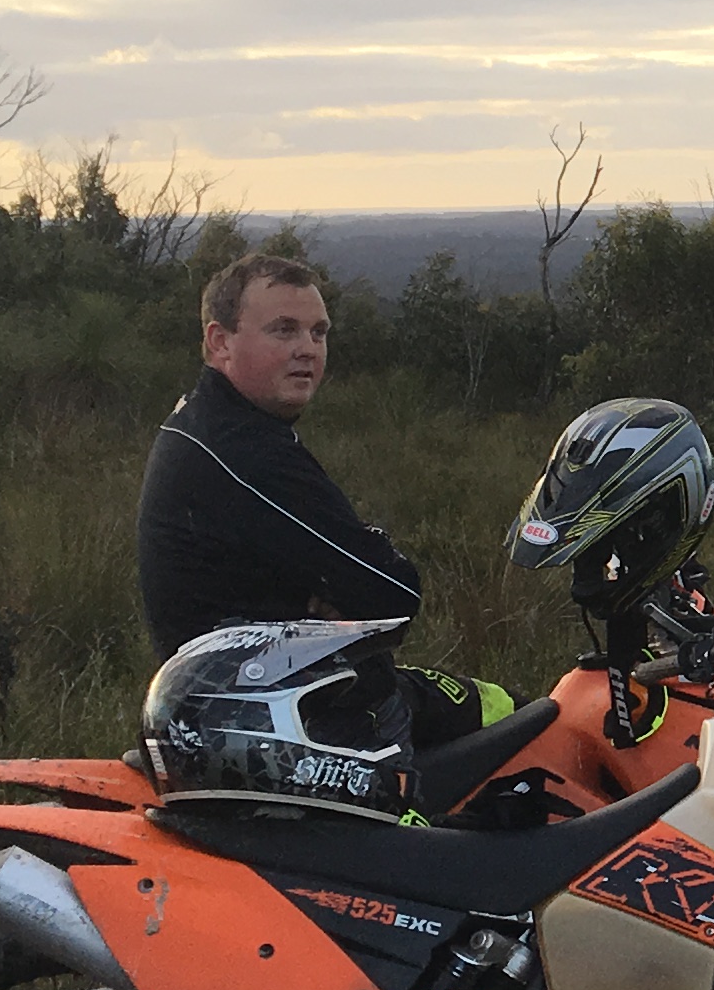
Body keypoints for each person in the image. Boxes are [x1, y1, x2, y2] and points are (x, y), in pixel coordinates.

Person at [137, 254, 502, 751]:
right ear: (220, 342)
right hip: (297, 730)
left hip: (277, 700)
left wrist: (340, 583)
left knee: (504, 706)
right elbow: (392, 592)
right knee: (531, 742)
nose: (307, 349)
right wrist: (354, 575)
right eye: (284, 330)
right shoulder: (243, 452)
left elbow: (356, 578)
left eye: (318, 332)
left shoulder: (212, 421)